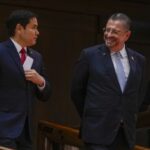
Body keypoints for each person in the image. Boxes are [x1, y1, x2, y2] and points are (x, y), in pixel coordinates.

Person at [71, 13, 146, 150]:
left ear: (127, 35)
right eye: (107, 29)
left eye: (115, 32)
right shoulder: (90, 55)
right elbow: (76, 91)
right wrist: (92, 116)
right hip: (97, 132)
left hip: (125, 134)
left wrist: (129, 113)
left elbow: (140, 93)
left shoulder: (139, 60)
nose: (109, 34)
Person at [0, 10, 51, 150]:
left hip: (26, 132)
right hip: (3, 129)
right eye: (33, 27)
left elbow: (46, 94)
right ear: (19, 28)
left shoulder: (37, 57)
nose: (38, 32)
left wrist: (41, 81)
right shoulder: (1, 52)